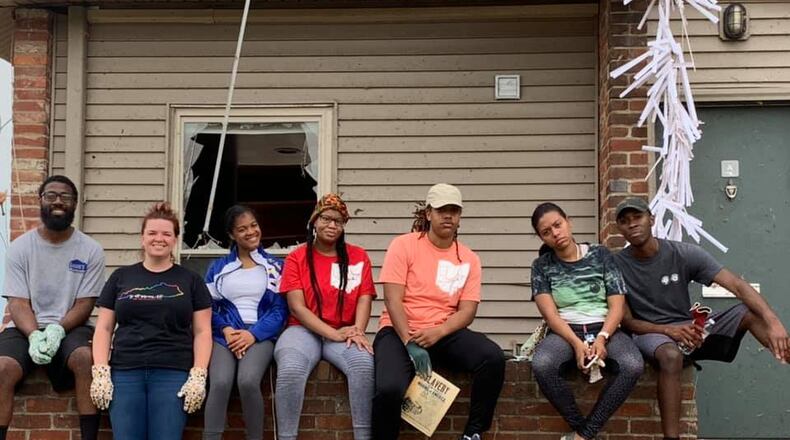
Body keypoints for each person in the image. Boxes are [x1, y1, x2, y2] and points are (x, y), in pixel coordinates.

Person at [613, 197, 790, 440]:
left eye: (637, 218)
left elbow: (737, 286)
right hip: (651, 334)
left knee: (748, 312)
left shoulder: (682, 253)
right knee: (670, 355)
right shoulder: (616, 265)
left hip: (690, 332)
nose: (632, 225)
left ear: (651, 219)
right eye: (624, 222)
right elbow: (628, 322)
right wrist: (669, 331)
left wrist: (774, 322)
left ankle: (786, 355)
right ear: (619, 229)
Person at [372, 183, 505, 440]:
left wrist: (438, 332)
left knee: (492, 358)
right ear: (428, 213)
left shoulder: (469, 258)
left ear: (460, 216)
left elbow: (467, 311)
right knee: (389, 388)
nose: (448, 216)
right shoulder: (404, 245)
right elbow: (392, 298)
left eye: (454, 210)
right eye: (442, 209)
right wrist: (409, 341)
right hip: (399, 330)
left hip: (443, 331)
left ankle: (473, 433)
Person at [91, 202, 213, 440]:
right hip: (125, 372)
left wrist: (198, 374)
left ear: (175, 239)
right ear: (142, 238)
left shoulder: (191, 280)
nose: (159, 239)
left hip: (173, 372)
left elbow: (202, 331)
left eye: (167, 233)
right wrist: (101, 371)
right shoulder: (121, 277)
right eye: (152, 233)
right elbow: (104, 328)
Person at [0, 175, 105, 440]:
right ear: (40, 201)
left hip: (72, 326)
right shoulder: (20, 248)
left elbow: (85, 303)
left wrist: (58, 329)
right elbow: (18, 302)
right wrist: (34, 334)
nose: (58, 201)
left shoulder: (91, 249)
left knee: (85, 359)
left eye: (66, 197)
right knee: (2, 367)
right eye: (51, 196)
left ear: (75, 204)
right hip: (25, 326)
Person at [530, 202, 643, 440]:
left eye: (558, 225)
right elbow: (550, 315)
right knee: (543, 364)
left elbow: (617, 304)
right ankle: (584, 428)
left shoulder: (601, 254)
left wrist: (602, 337)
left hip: (605, 327)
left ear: (568, 221)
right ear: (541, 237)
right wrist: (575, 343)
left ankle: (583, 435)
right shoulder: (541, 266)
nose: (555, 234)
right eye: (546, 232)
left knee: (632, 365)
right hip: (564, 331)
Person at [274, 193, 376, 440]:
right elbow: (297, 306)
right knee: (290, 368)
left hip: (345, 331)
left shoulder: (358, 256)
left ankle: (364, 436)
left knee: (363, 364)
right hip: (302, 330)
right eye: (327, 219)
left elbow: (364, 296)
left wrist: (358, 331)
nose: (332, 225)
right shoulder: (297, 257)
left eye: (339, 221)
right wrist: (332, 333)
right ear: (314, 221)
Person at [203, 205, 288, 440]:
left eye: (254, 225)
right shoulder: (218, 268)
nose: (251, 232)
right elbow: (207, 306)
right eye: (242, 229)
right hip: (225, 335)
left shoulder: (276, 266)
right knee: (219, 382)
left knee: (248, 380)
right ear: (231, 235)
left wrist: (253, 334)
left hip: (260, 335)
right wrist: (226, 328)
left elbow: (280, 310)